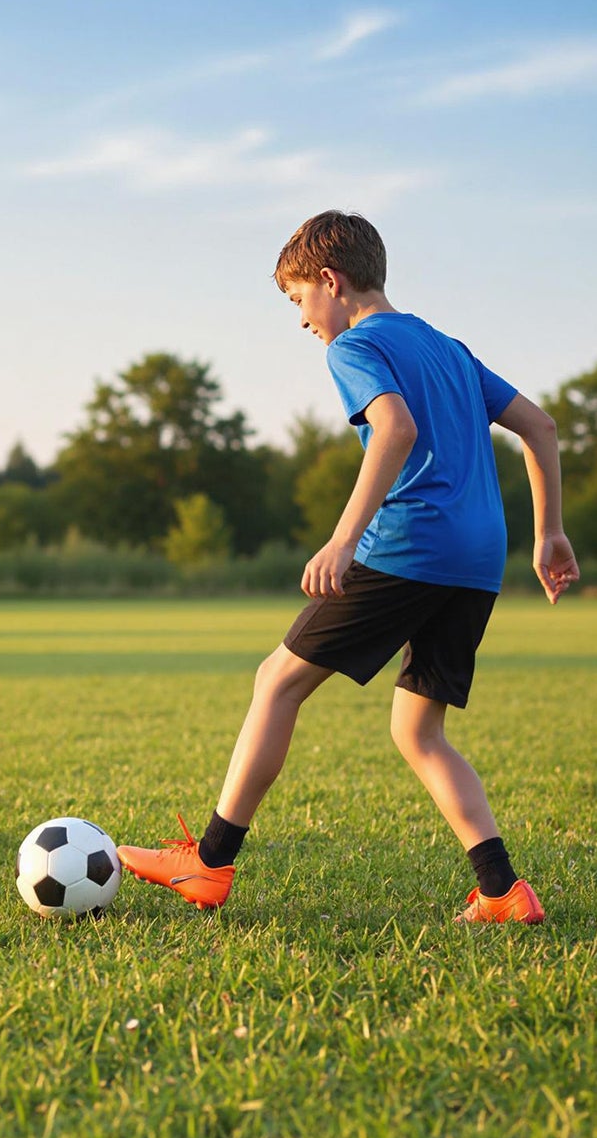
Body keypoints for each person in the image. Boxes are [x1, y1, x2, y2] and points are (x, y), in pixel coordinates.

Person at [117, 211, 580, 924]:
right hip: (477, 562)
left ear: (330, 281)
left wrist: (342, 538)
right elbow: (540, 427)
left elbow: (394, 428)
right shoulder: (446, 347)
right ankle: (501, 890)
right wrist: (547, 532)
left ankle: (208, 863)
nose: (303, 321)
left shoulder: (355, 345)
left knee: (276, 681)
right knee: (417, 731)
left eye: (300, 299)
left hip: (409, 547)